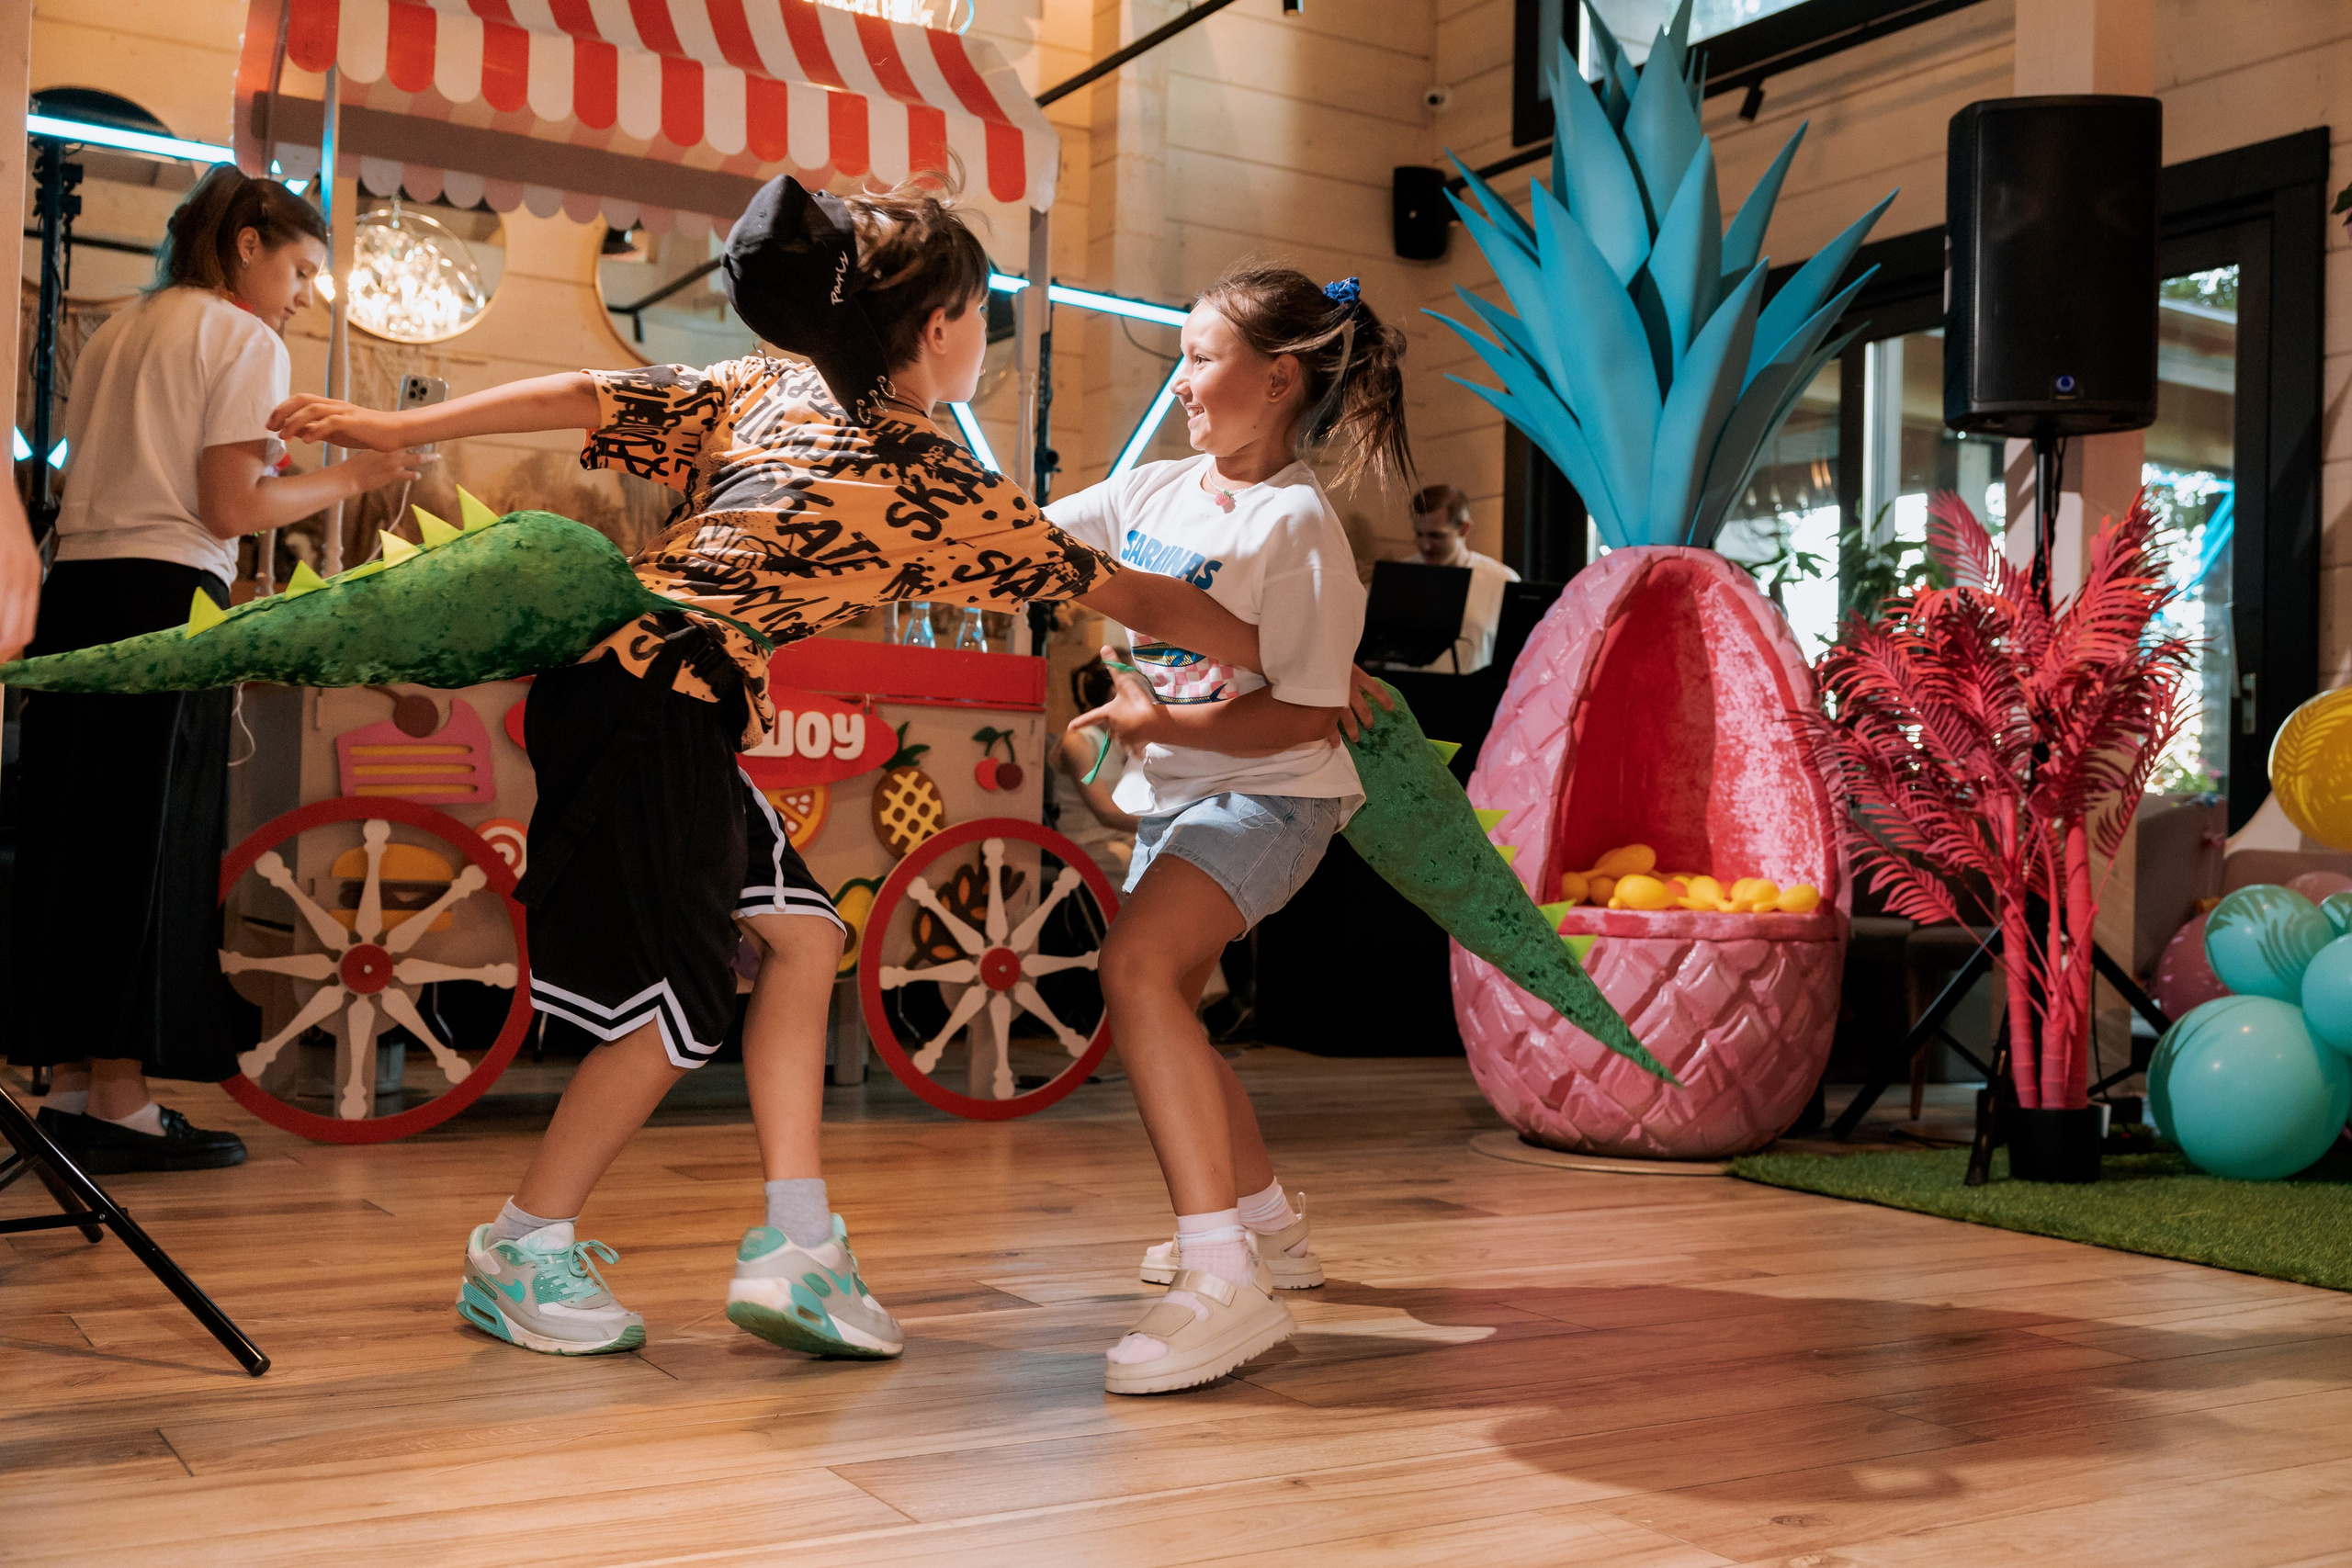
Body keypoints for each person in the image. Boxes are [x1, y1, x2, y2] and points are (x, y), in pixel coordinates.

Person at [271, 174, 1263, 1360]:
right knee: (682, 1007)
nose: (983, 329)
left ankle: (800, 1245)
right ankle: (520, 1243)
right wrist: (1285, 648)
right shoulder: (928, 474)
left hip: (645, 692)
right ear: (940, 327)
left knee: (805, 934)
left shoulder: (772, 385)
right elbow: (1130, 593)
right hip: (653, 700)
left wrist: (401, 428)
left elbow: (593, 391)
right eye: (979, 306)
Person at [11, 166, 428, 1173]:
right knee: (150, 849)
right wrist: (357, 471)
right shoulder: (244, 337)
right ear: (248, 246)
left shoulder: (123, 327)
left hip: (78, 594)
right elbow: (230, 509)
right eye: (299, 269)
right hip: (167, 599)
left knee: (78, 841)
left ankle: (72, 1085)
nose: (300, 295)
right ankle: (120, 1100)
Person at [1051, 264, 1410, 1394]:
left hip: (1275, 797)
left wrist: (1166, 715)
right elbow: (1022, 539)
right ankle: (1268, 1229)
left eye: (1203, 358)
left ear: (1277, 376)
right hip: (1182, 796)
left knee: (1137, 972)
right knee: (1176, 1016)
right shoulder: (1151, 491)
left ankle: (1223, 1281)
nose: (1185, 382)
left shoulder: (1297, 524)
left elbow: (1307, 707)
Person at [1406, 483, 1519, 674]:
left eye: (1436, 535)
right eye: (1419, 534)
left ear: (1464, 529)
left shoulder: (1503, 581)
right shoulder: (1400, 576)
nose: (1425, 546)